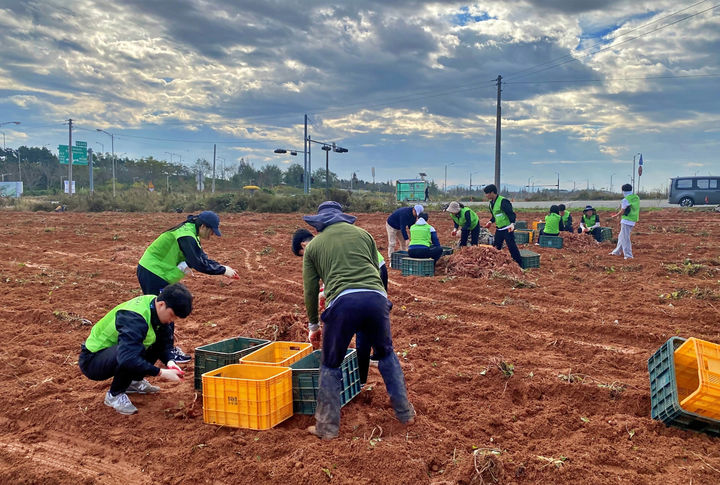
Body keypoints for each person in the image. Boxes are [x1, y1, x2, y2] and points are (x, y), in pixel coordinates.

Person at [302, 201, 415, 439]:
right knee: (385, 354)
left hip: (343, 304)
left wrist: (314, 326)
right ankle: (405, 414)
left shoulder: (313, 247)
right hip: (376, 299)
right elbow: (376, 269)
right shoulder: (364, 235)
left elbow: (311, 291)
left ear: (319, 224)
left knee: (331, 364)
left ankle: (327, 428)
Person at [136, 211, 237, 363]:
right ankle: (166, 352)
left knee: (165, 311)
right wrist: (222, 270)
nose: (211, 235)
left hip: (158, 272)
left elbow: (201, 256)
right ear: (203, 226)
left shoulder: (191, 232)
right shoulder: (187, 235)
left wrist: (221, 267)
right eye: (211, 231)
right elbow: (198, 263)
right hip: (153, 272)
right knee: (164, 311)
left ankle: (164, 349)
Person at [78, 283, 193, 415]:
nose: (171, 320)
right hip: (93, 361)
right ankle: (114, 395)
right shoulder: (134, 317)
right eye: (172, 315)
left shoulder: (155, 307)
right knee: (130, 353)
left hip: (117, 353)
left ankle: (133, 381)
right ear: (161, 304)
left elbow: (163, 343)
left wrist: (170, 362)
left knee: (151, 343)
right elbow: (127, 358)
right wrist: (161, 372)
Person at [292, 227, 386, 385]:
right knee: (369, 319)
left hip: (371, 272)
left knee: (359, 325)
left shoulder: (317, 248)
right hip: (377, 269)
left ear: (304, 245)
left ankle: (360, 379)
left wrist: (314, 325)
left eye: (303, 256)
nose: (305, 259)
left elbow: (331, 281)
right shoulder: (327, 241)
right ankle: (375, 358)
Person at [483, 184, 523, 267]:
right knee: (496, 247)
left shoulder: (503, 201)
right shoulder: (491, 204)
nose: (486, 195)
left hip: (507, 228)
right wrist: (490, 221)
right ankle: (495, 263)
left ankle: (519, 264)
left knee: (511, 246)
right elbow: (495, 215)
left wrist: (512, 224)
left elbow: (511, 214)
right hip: (499, 229)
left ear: (492, 193)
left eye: (487, 193)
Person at [610, 183, 639, 259]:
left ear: (623, 191)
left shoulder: (625, 199)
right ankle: (617, 252)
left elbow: (622, 211)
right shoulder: (636, 197)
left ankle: (628, 255)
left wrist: (615, 216)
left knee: (625, 238)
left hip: (626, 220)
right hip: (633, 219)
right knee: (621, 236)